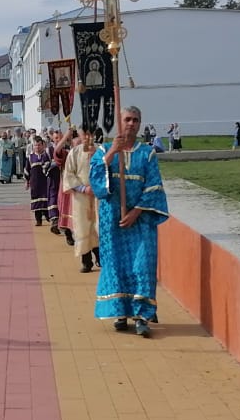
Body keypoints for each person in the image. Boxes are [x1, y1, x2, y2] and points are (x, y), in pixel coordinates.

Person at [90, 107, 169, 337]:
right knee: (116, 265)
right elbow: (95, 179)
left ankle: (142, 316)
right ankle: (120, 313)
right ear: (120, 121)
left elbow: (154, 186)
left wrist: (136, 212)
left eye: (135, 120)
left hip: (141, 221)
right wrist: (113, 151)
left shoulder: (147, 153)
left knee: (142, 266)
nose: (131, 123)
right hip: (113, 220)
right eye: (127, 119)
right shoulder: (104, 149)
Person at [63, 126, 101, 272]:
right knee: (82, 227)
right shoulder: (75, 153)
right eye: (84, 134)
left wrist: (99, 187)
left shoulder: (101, 151)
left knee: (98, 226)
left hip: (99, 196)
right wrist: (83, 189)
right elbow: (69, 174)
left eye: (90, 134)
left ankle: (101, 257)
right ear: (80, 135)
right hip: (81, 197)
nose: (87, 137)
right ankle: (86, 261)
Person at [27, 136, 54, 226]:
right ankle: (38, 220)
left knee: (46, 199)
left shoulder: (46, 156)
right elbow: (27, 170)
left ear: (42, 145)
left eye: (39, 145)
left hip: (45, 182)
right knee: (36, 201)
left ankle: (48, 217)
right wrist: (27, 181)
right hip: (35, 183)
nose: (37, 147)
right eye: (35, 145)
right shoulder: (30, 157)